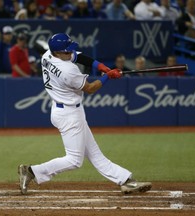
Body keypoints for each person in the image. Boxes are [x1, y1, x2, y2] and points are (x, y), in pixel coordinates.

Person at [18, 33, 152, 195]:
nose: (70, 53)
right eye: (66, 51)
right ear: (58, 53)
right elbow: (90, 89)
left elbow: (78, 56)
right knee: (74, 160)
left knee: (95, 154)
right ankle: (31, 171)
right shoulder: (68, 70)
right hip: (69, 114)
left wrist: (101, 67)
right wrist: (107, 77)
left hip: (65, 110)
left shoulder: (48, 54)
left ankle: (125, 181)